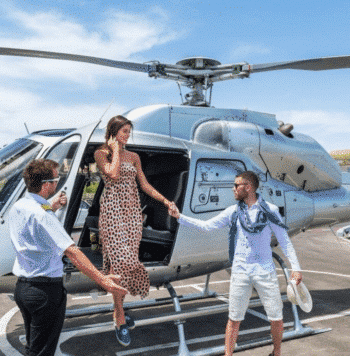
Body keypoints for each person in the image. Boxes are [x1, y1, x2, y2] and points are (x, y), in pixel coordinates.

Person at [168, 171, 302, 356]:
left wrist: (296, 267)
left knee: (276, 318)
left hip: (265, 271)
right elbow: (207, 227)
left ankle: (276, 352)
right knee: (234, 318)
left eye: (236, 185)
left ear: (248, 187)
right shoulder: (233, 212)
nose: (233, 189)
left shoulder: (270, 210)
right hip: (240, 272)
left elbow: (284, 240)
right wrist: (179, 217)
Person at [9, 159, 127, 356]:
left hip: (24, 289)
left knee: (34, 347)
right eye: (56, 180)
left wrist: (52, 206)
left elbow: (36, 224)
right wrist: (103, 279)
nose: (58, 184)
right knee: (42, 352)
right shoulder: (43, 215)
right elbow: (72, 251)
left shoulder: (20, 206)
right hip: (45, 292)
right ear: (46, 185)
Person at [94, 115, 178, 346]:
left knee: (127, 260)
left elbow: (144, 184)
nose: (127, 136)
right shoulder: (101, 154)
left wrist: (166, 201)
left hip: (131, 212)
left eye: (129, 132)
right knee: (118, 261)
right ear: (113, 132)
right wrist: (115, 149)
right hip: (112, 211)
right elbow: (112, 174)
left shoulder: (135, 156)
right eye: (123, 132)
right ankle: (119, 317)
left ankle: (117, 309)